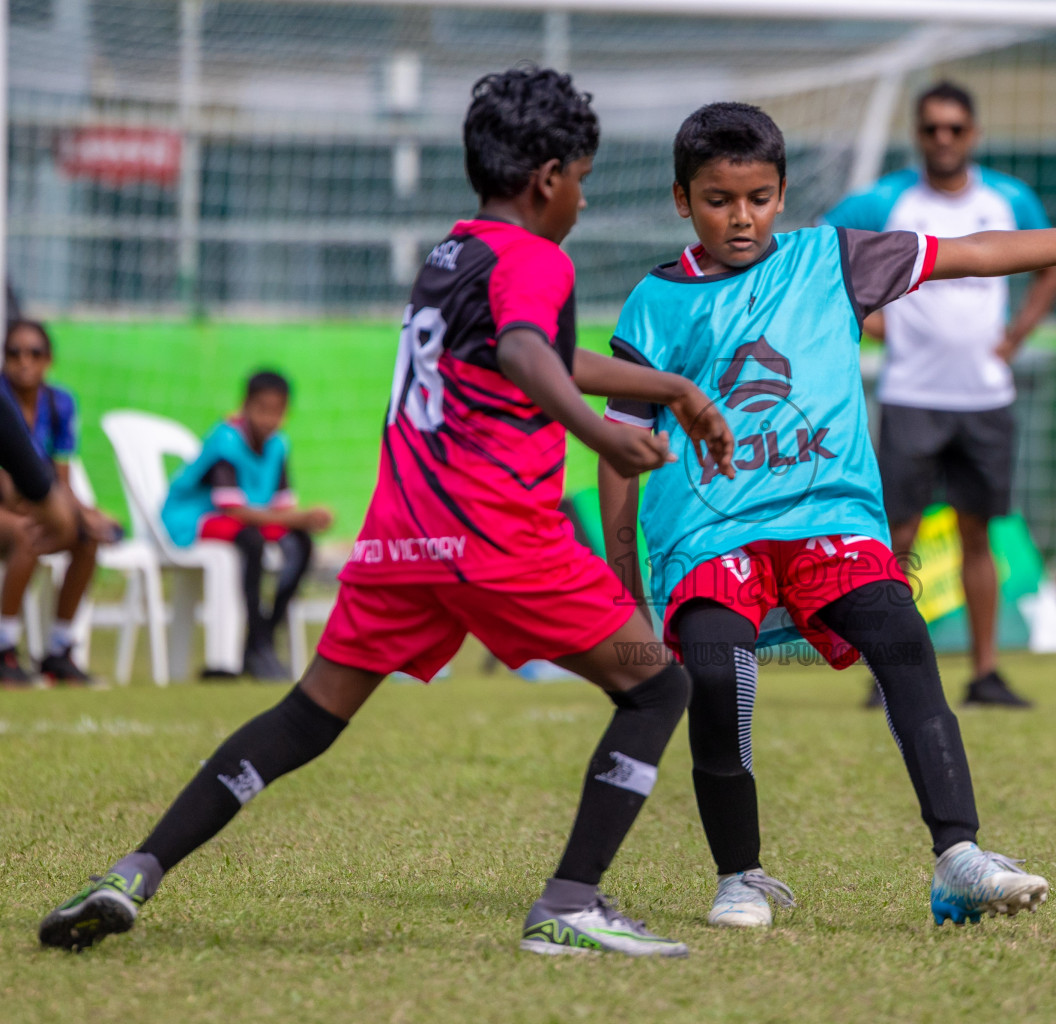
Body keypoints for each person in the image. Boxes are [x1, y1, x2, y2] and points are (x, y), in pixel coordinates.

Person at [38, 66, 736, 959]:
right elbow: (530, 352)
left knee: (307, 715)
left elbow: (545, 355)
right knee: (657, 682)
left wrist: (669, 387)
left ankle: (135, 870)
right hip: (497, 540)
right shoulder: (536, 259)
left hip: (402, 542)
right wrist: (601, 437)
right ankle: (571, 901)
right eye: (584, 182)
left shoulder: (453, 256)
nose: (584, 203)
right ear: (548, 177)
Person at [598, 101, 1056, 930]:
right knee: (719, 677)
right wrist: (622, 583)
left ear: (783, 194)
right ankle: (740, 875)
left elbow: (977, 254)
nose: (741, 217)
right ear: (682, 199)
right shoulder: (654, 305)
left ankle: (959, 857)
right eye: (719, 200)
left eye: (758, 197)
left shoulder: (832, 258)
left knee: (902, 640)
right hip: (709, 531)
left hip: (828, 517)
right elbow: (620, 446)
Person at [824, 81, 1056, 710]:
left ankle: (984, 673)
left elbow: (1051, 268)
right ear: (918, 134)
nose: (943, 139)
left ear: (973, 134)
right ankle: (889, 671)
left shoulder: (1008, 199)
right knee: (895, 537)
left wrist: (1014, 339)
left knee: (977, 535)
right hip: (911, 393)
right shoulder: (887, 202)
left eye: (955, 128)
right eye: (932, 128)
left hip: (985, 396)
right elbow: (823, 259)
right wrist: (876, 325)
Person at [159, 372, 332, 680]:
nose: (269, 418)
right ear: (245, 406)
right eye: (262, 409)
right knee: (250, 541)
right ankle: (252, 643)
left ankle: (261, 639)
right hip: (194, 518)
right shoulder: (225, 440)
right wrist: (300, 517)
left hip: (246, 517)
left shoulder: (279, 444)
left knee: (301, 543)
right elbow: (233, 509)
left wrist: (304, 522)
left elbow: (281, 505)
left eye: (277, 411)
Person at [0, 319, 119, 686]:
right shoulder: (2, 400)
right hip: (10, 506)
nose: (24, 361)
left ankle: (59, 650)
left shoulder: (59, 403)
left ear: (48, 359)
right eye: (14, 353)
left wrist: (84, 513)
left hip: (36, 501)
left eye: (34, 353)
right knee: (27, 532)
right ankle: (4, 647)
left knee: (86, 536)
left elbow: (60, 479)